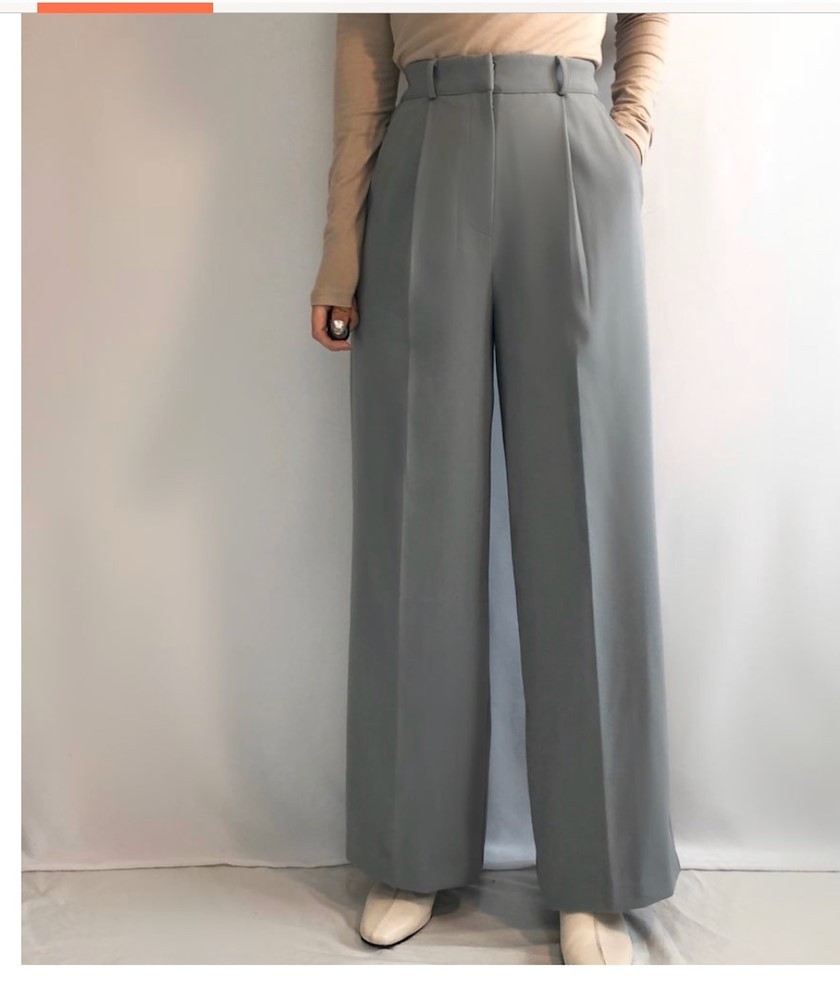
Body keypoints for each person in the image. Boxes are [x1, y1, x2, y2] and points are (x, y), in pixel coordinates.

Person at [309, 13, 680, 966]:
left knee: (588, 508)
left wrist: (626, 135)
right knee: (414, 517)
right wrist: (342, 243)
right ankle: (411, 851)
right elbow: (362, 59)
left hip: (570, 138)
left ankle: (597, 872)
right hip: (423, 146)